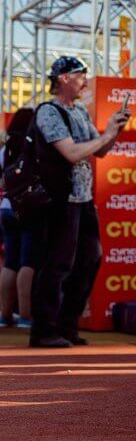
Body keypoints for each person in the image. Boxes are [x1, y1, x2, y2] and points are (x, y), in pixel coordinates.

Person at [29, 56, 130, 348]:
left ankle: (66, 325)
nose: (85, 81)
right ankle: (43, 330)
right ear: (63, 78)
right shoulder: (48, 112)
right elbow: (72, 153)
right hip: (61, 198)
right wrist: (107, 134)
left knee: (90, 258)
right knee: (58, 263)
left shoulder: (80, 111)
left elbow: (98, 151)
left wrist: (114, 129)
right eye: (80, 75)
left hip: (84, 197)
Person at [0, 108, 38, 328]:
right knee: (28, 262)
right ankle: (26, 315)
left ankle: (4, 315)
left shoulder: (5, 150)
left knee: (10, 262)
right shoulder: (32, 147)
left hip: (5, 208)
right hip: (29, 208)